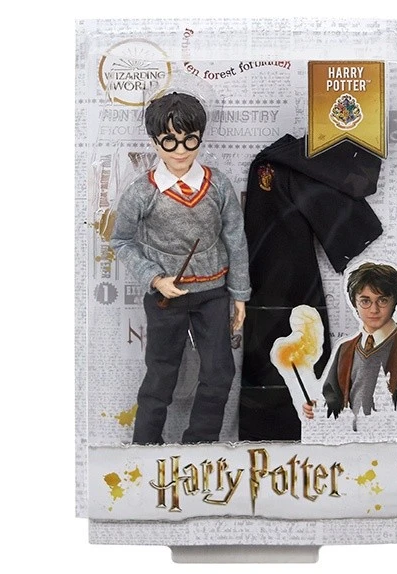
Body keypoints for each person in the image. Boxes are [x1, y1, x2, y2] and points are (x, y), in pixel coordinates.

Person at [110, 92, 251, 445]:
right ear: (155, 141)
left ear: (200, 137)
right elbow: (121, 241)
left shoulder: (218, 185)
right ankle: (145, 445)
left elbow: (235, 240)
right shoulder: (142, 192)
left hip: (213, 294)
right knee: (161, 375)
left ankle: (199, 444)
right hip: (166, 298)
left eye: (189, 139)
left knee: (219, 372)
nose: (180, 150)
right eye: (169, 140)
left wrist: (239, 294)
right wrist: (155, 278)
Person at [303, 262, 397, 431]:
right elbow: (332, 401)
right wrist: (316, 409)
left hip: (392, 438)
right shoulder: (345, 350)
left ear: (395, 301)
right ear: (354, 303)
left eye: (383, 300)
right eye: (365, 301)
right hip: (353, 439)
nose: (374, 309)